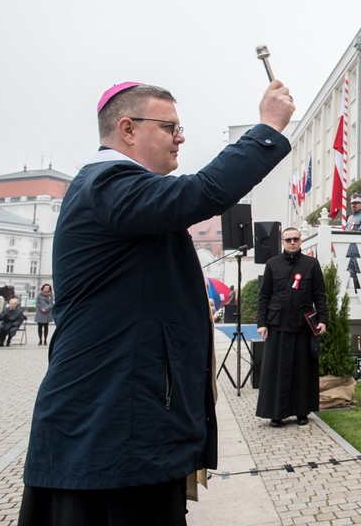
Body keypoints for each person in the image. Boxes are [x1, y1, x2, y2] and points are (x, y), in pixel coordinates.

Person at [18, 79, 294, 526]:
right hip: (111, 426)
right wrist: (267, 129)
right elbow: (199, 194)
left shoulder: (121, 190)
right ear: (127, 128)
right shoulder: (107, 181)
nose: (180, 137)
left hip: (120, 422)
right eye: (171, 127)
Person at [255, 227, 327, 427]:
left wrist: (323, 320)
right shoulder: (272, 264)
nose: (292, 242)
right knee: (276, 372)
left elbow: (319, 294)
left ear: (300, 240)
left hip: (303, 325)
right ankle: (276, 414)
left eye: (295, 239)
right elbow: (264, 296)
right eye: (288, 240)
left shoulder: (311, 264)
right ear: (282, 242)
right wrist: (262, 323)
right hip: (277, 325)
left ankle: (302, 412)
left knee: (302, 371)